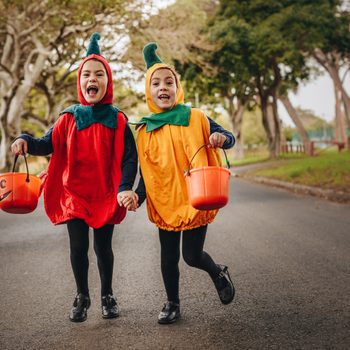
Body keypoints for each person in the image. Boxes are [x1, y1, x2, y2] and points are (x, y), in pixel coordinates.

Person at [11, 33, 138, 323]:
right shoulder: (68, 117)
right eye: (86, 75)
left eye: (99, 74)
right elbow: (47, 144)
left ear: (108, 82)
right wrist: (24, 139)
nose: (92, 79)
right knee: (78, 247)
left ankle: (107, 294)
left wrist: (124, 187)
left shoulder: (118, 119)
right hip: (74, 193)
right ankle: (82, 295)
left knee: (103, 248)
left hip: (106, 193)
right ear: (80, 82)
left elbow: (129, 158)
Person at [122, 42, 235, 324]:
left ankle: (217, 271)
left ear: (177, 87)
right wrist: (137, 195)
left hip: (197, 196)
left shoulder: (195, 117)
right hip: (165, 201)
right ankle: (172, 303)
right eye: (156, 83)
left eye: (169, 82)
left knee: (192, 256)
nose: (163, 87)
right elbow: (148, 173)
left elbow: (228, 136)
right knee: (168, 257)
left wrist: (222, 138)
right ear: (148, 92)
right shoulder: (145, 130)